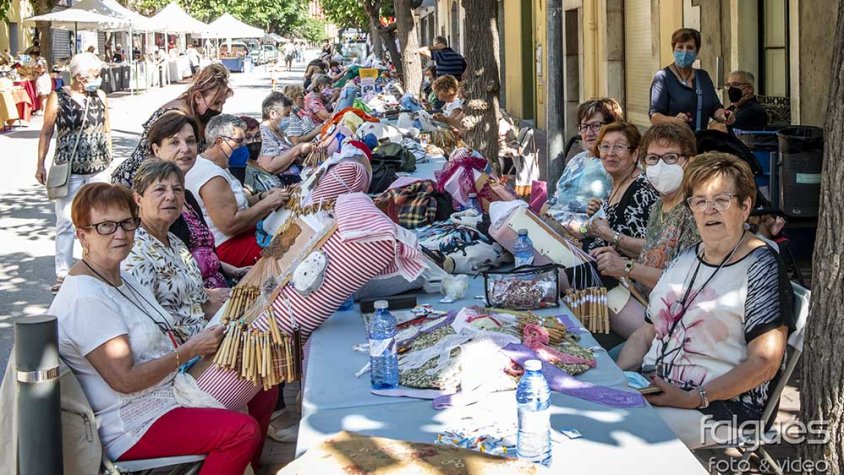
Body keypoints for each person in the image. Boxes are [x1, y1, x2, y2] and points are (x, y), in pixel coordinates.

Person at [50, 182, 274, 474]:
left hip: (167, 390)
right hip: (130, 423)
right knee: (240, 432)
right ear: (83, 235)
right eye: (105, 226)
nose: (120, 234)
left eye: (126, 223)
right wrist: (191, 349)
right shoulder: (86, 298)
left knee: (260, 378)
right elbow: (125, 381)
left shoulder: (119, 276)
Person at [616, 152, 795, 449]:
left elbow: (764, 362)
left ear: (744, 206)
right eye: (699, 201)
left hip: (721, 407)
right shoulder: (687, 257)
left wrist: (693, 398)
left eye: (721, 200)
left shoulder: (761, 265)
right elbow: (647, 332)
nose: (709, 210)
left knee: (621, 435)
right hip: (655, 388)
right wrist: (620, 380)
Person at [122, 160, 229, 339]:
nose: (171, 196)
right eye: (160, 190)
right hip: (183, 355)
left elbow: (197, 304)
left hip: (207, 336)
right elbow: (145, 333)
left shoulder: (174, 241)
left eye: (177, 189)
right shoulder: (136, 253)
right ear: (138, 199)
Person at [36, 52, 112, 293]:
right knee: (67, 220)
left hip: (98, 167)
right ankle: (62, 272)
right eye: (95, 75)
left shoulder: (100, 96)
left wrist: (109, 157)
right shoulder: (58, 98)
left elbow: (106, 128)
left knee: (101, 218)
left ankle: (97, 265)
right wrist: (40, 164)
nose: (98, 79)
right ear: (80, 76)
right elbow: (46, 132)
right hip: (70, 169)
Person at [145, 110, 247, 288]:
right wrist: (207, 298)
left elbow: (201, 252)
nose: (185, 149)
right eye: (174, 142)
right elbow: (167, 274)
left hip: (221, 289)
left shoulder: (187, 196)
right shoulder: (157, 203)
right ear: (156, 150)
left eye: (190, 141)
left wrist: (234, 271)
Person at [185, 114, 290, 267]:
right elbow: (230, 224)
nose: (244, 147)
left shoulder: (217, 165)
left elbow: (235, 202)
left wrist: (261, 197)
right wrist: (267, 204)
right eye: (239, 141)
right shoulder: (211, 176)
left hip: (241, 236)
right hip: (230, 246)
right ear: (220, 142)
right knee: (290, 247)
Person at [111, 63, 233, 187]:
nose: (219, 109)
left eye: (222, 103)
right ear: (198, 97)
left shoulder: (198, 116)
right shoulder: (177, 118)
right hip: (139, 185)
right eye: (216, 103)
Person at [545, 98, 623, 236]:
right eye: (584, 126)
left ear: (612, 127)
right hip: (553, 221)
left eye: (595, 126)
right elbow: (556, 196)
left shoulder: (615, 164)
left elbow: (615, 212)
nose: (588, 133)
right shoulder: (577, 159)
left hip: (581, 231)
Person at [582, 122, 659, 256]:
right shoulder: (616, 182)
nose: (610, 153)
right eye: (605, 146)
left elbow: (651, 248)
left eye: (619, 146)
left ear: (635, 153)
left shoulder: (641, 190)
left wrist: (609, 234)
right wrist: (596, 216)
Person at [649, 28, 735, 132]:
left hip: (699, 142)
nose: (684, 52)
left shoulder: (703, 77)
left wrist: (724, 115)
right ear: (673, 49)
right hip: (673, 143)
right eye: (680, 47)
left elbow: (715, 107)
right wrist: (674, 121)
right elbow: (655, 117)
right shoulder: (663, 78)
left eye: (690, 48)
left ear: (697, 51)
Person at [258, 92, 312, 185]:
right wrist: (297, 150)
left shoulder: (278, 131)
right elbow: (269, 166)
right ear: (273, 114)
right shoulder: (264, 134)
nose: (289, 118)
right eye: (286, 114)